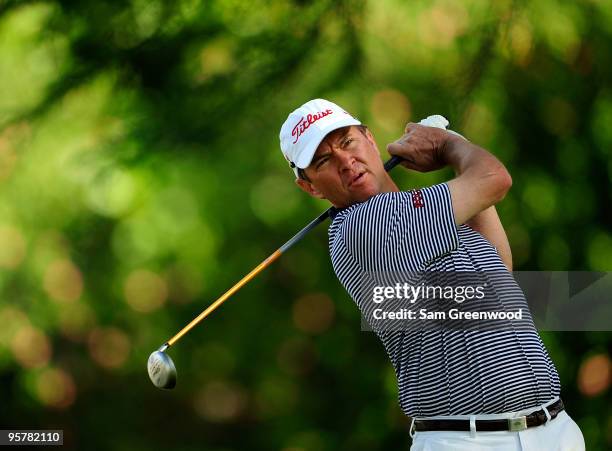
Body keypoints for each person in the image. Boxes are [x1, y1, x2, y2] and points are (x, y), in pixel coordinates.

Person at [278, 98, 585, 451]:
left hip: (554, 431)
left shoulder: (425, 216)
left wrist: (452, 143)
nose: (346, 162)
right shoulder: (364, 226)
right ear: (310, 187)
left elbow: (499, 270)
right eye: (323, 161)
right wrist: (448, 146)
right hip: (468, 441)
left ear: (371, 139)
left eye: (348, 142)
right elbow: (494, 179)